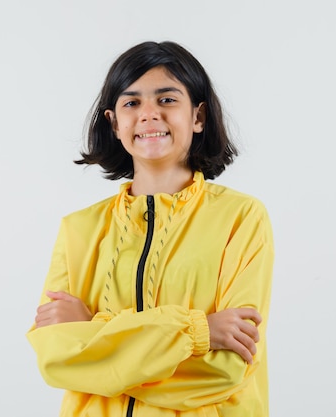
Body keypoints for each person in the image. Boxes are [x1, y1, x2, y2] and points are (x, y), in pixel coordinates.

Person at [26, 40, 274, 417]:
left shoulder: (241, 218)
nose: (148, 114)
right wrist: (198, 332)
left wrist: (93, 334)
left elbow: (225, 369)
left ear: (198, 116)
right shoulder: (78, 229)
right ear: (113, 123)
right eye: (131, 102)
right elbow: (57, 359)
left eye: (167, 100)